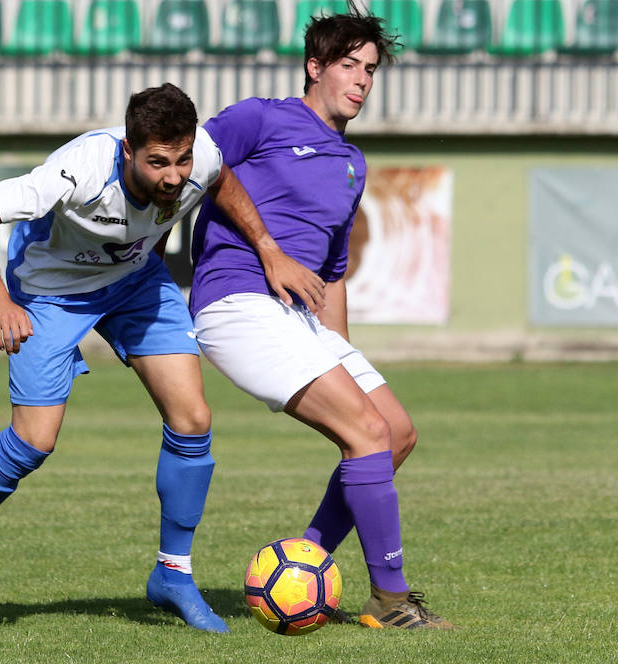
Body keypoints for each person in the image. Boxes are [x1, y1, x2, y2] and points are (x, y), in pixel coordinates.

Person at [0, 83, 320, 632]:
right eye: (157, 162)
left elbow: (221, 179)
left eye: (182, 158)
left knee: (193, 419)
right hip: (49, 292)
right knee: (33, 443)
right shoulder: (78, 171)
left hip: (135, 282)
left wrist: (268, 249)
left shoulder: (202, 159)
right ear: (128, 151)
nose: (174, 176)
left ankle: (174, 574)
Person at [190, 8, 456, 629]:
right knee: (364, 432)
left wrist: (339, 350)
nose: (362, 80)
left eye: (370, 70)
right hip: (237, 302)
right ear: (315, 66)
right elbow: (193, 167)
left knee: (394, 432)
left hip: (300, 321)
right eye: (348, 65)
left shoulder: (352, 164)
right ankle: (390, 601)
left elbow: (332, 271)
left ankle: (303, 565)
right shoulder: (259, 117)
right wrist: (268, 251)